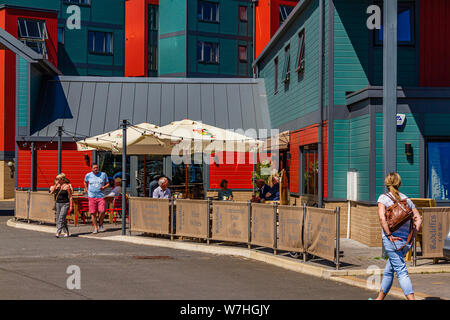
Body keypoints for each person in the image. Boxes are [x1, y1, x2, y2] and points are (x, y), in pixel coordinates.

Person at [373, 172, 422, 300]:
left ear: (386, 183)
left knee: (401, 271)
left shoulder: (383, 198)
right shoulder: (407, 200)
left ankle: (411, 299)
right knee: (389, 270)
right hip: (406, 242)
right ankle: (379, 298)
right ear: (399, 183)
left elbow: (382, 218)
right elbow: (418, 219)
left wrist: (389, 234)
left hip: (392, 241)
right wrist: (412, 236)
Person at [84, 164, 110, 234]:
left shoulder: (103, 174)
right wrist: (86, 189)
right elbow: (85, 182)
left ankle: (101, 225)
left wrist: (104, 187)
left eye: (97, 168)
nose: (96, 169)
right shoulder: (88, 175)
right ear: (91, 169)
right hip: (92, 196)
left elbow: (108, 184)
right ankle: (95, 228)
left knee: (102, 211)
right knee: (93, 213)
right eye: (94, 168)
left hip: (101, 196)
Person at [49, 173, 73, 238]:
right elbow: (51, 192)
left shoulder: (67, 186)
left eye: (58, 179)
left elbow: (70, 196)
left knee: (61, 218)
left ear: (62, 179)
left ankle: (58, 232)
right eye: (57, 179)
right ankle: (67, 232)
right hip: (58, 203)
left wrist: (71, 206)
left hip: (65, 204)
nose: (57, 180)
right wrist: (55, 186)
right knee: (61, 219)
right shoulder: (57, 186)